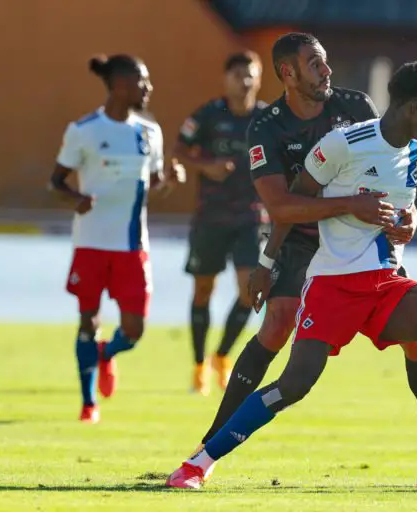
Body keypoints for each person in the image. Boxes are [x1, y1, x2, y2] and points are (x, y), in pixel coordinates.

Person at [172, 32, 417, 489]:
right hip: (312, 251)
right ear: (288, 73)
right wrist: (268, 262)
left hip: (376, 270)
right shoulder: (277, 128)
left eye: (325, 62)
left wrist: (410, 220)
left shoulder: (372, 116)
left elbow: (400, 190)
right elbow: (284, 205)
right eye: (315, 64)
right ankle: (203, 455)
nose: (327, 71)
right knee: (284, 350)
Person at [50, 54, 183, 424]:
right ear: (122, 85)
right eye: (144, 81)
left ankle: (106, 353)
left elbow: (152, 184)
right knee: (87, 321)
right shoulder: (83, 130)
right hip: (91, 243)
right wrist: (75, 199)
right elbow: (55, 181)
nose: (149, 88)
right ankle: (88, 403)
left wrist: (169, 180)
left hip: (132, 246)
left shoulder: (149, 132)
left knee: (135, 330)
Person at [173, 51, 267, 395]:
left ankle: (222, 355)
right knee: (203, 290)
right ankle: (198, 364)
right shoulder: (208, 115)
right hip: (211, 217)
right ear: (226, 79)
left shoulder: (268, 119)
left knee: (249, 292)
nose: (245, 81)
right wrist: (206, 166)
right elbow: (179, 149)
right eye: (238, 75)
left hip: (251, 217)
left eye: (250, 75)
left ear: (259, 79)